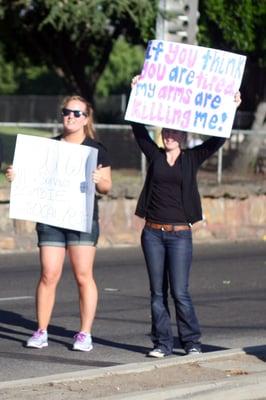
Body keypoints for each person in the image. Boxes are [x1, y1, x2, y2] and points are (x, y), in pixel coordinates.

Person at [130, 76, 241, 358]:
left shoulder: (192, 158)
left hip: (180, 234)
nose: (170, 135)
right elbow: (138, 130)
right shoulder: (154, 155)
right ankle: (162, 344)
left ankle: (191, 341)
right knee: (157, 293)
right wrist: (136, 92)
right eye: (166, 131)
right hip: (153, 233)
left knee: (180, 292)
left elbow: (218, 139)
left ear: (183, 136)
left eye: (175, 132)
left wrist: (232, 109)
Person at [6, 95, 112, 351]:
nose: (71, 117)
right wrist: (16, 175)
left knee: (83, 275)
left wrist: (99, 179)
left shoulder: (96, 149)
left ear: (86, 119)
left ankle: (85, 333)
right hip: (51, 217)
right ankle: (41, 331)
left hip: (81, 218)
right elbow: (32, 178)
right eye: (67, 112)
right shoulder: (48, 147)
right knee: (48, 273)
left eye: (77, 113)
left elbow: (107, 187)